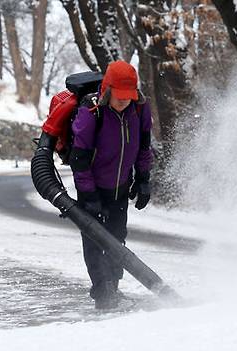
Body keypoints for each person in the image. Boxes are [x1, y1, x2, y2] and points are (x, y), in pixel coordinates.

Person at [70, 60, 153, 309]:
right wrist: (89, 194)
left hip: (120, 188)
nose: (124, 101)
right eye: (119, 97)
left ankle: (113, 287)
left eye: (128, 96)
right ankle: (102, 292)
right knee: (95, 242)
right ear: (107, 91)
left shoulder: (139, 109)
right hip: (92, 189)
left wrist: (143, 180)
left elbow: (144, 147)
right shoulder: (91, 112)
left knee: (117, 239)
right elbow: (79, 160)